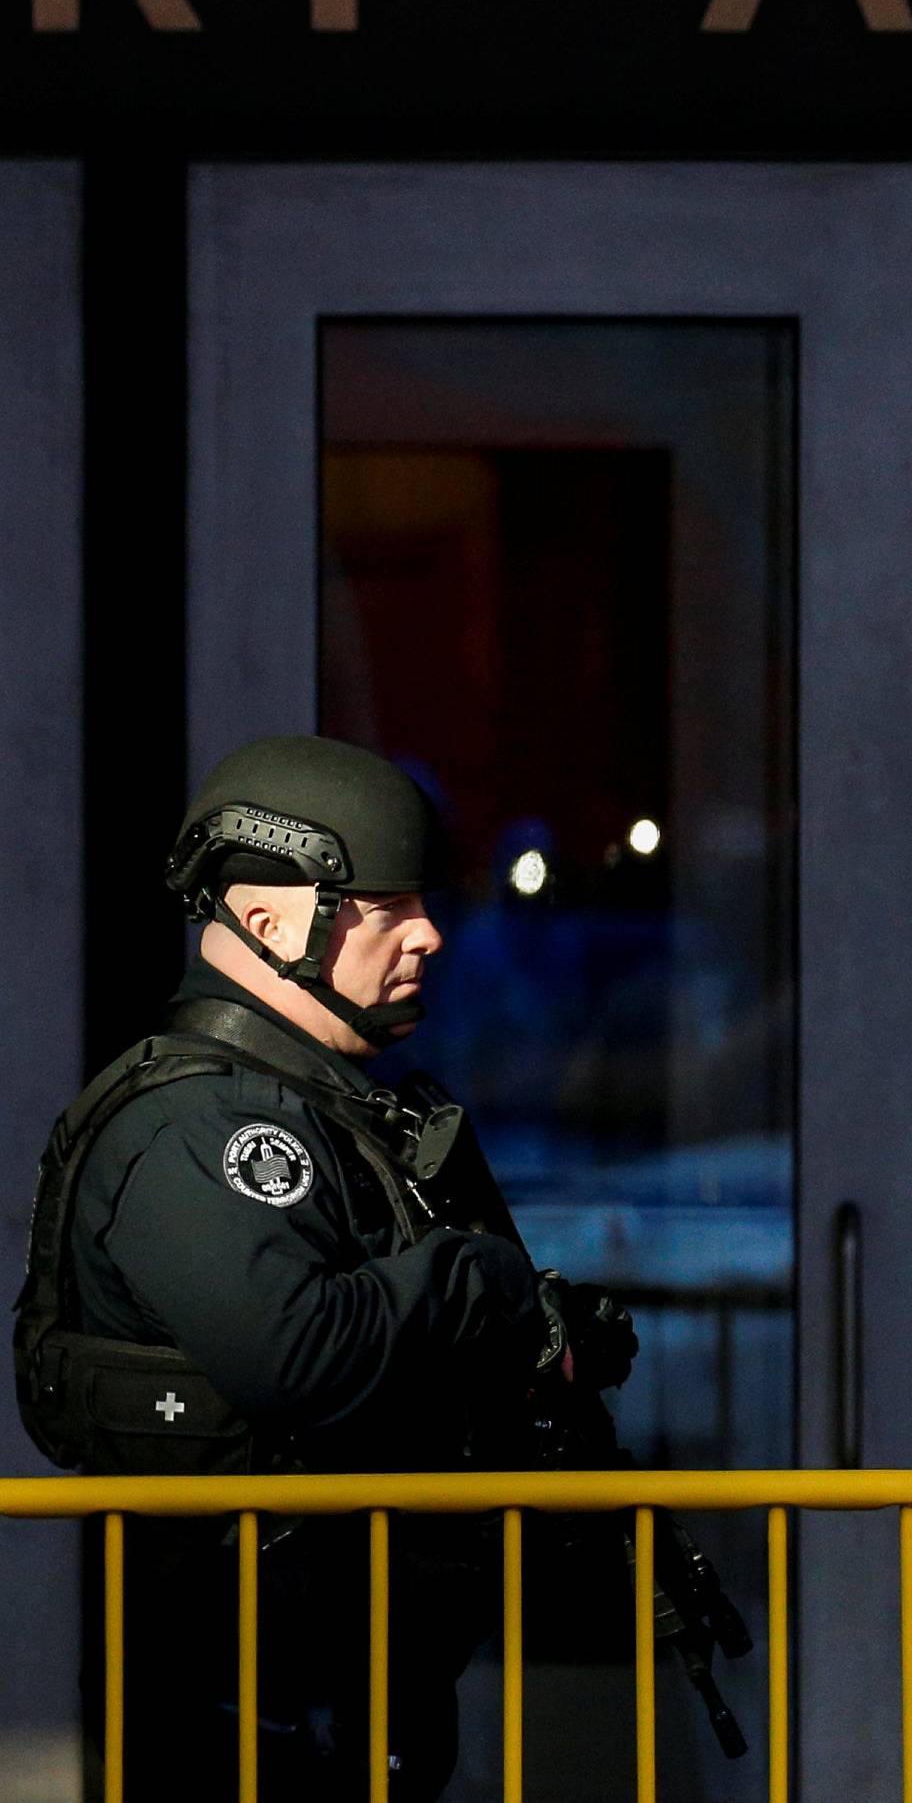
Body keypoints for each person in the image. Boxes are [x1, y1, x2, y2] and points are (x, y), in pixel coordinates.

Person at [13, 733, 637, 1801]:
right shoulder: (196, 1125)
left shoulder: (346, 1111)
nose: (429, 935)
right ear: (269, 920)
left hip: (354, 1684)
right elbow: (299, 1353)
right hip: (251, 1706)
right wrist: (477, 1286)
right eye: (389, 908)